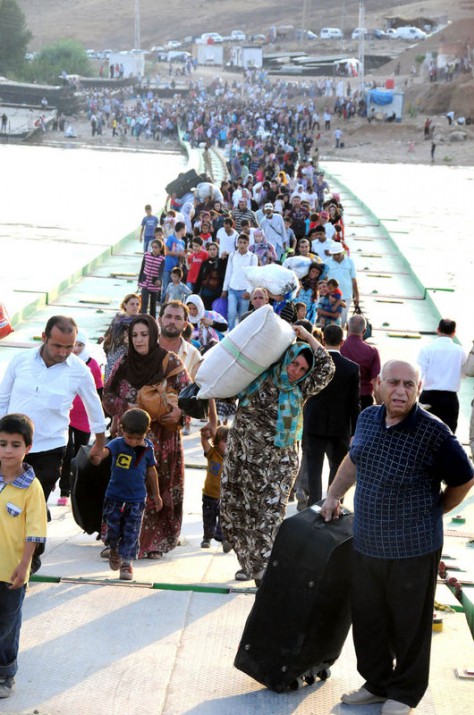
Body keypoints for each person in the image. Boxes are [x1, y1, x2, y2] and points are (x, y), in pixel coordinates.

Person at [321, 360, 474, 715]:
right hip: (368, 541)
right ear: (378, 384)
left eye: (409, 385)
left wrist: (434, 512)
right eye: (394, 383)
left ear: (419, 389)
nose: (401, 391)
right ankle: (376, 683)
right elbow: (354, 459)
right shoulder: (368, 419)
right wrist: (333, 494)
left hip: (414, 546)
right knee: (368, 617)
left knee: (409, 623)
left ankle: (404, 692)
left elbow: (464, 479)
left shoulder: (434, 433)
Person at [219, 323, 335, 584]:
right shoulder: (257, 376)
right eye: (294, 365)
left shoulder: (300, 389)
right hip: (243, 458)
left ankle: (263, 567)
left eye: (303, 369)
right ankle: (250, 562)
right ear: (285, 360)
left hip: (279, 463)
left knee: (269, 513)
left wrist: (307, 336)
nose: (296, 372)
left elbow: (327, 367)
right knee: (235, 511)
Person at [0, 316, 106, 524]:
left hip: (50, 450)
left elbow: (94, 408)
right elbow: (2, 400)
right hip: (12, 447)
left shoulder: (80, 372)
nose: (63, 352)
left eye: (69, 346)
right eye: (57, 345)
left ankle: (34, 555)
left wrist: (100, 444)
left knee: (34, 505)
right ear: (44, 338)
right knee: (9, 505)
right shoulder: (20, 360)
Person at [102, 315, 190, 559]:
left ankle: (154, 543)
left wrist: (179, 414)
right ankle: (116, 542)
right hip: (129, 440)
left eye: (144, 334)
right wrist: (126, 408)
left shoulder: (170, 362)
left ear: (153, 335)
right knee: (124, 488)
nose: (139, 340)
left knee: (157, 488)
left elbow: (192, 399)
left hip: (163, 442)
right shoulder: (123, 362)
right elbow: (107, 396)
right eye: (134, 335)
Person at [0, 413, 47, 699]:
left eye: (15, 445)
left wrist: (25, 564)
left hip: (12, 571)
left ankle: (6, 673)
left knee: (7, 623)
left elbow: (34, 532)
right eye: (2, 443)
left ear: (27, 448)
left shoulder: (31, 488)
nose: (7, 450)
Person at [99, 409, 161, 581]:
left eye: (138, 438)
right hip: (114, 497)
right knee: (113, 529)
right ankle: (113, 549)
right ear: (121, 429)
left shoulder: (148, 448)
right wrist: (97, 456)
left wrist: (156, 495)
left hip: (136, 498)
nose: (133, 442)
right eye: (129, 437)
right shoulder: (117, 444)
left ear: (146, 433)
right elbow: (104, 452)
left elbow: (151, 472)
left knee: (132, 531)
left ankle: (127, 562)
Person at [303, 324, 360, 506]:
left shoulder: (313, 364)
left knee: (313, 469)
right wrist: (355, 431)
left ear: (323, 340)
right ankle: (335, 505)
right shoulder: (352, 368)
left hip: (314, 423)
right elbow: (354, 404)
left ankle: (312, 505)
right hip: (340, 426)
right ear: (342, 342)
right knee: (337, 469)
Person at [58, 329, 103, 506]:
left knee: (81, 453)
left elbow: (98, 393)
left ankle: (78, 489)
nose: (76, 349)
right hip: (67, 416)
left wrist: (99, 418)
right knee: (66, 453)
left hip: (84, 418)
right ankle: (65, 490)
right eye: (74, 345)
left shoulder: (91, 365)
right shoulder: (64, 363)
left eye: (80, 345)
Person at [417, 318, 467, 433]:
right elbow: (464, 374)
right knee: (448, 433)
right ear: (454, 333)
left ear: (438, 330)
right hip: (450, 398)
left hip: (429, 396)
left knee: (424, 432)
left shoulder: (427, 349)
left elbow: (419, 372)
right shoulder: (460, 351)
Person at [341, 314, 381, 410]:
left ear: (347, 327)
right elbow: (376, 382)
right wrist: (380, 404)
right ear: (364, 331)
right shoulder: (372, 351)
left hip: (341, 395)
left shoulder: (339, 348)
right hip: (364, 398)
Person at [200, 425, 229, 550]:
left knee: (224, 518)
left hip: (225, 496)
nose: (228, 445)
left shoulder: (232, 458)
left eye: (230, 442)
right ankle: (207, 537)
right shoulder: (213, 453)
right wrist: (204, 437)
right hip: (210, 494)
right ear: (217, 442)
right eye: (225, 441)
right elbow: (205, 444)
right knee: (208, 517)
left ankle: (223, 539)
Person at [221, 233, 258, 330]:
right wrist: (224, 289)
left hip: (244, 290)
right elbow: (228, 272)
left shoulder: (252, 257)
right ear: (237, 243)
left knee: (243, 316)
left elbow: (253, 276)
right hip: (232, 289)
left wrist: (249, 291)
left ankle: (240, 335)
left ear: (248, 244)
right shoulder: (232, 255)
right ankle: (230, 333)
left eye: (244, 243)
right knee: (231, 313)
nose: (242, 245)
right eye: (240, 242)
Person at [101, 293, 141, 380]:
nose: (135, 306)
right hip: (114, 354)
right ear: (125, 305)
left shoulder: (140, 321)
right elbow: (109, 333)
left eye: (137, 304)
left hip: (131, 357)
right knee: (110, 381)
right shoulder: (117, 318)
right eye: (132, 304)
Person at [325, 245, 359, 326]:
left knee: (343, 319)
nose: (336, 256)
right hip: (332, 296)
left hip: (346, 295)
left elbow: (353, 279)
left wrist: (357, 295)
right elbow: (325, 280)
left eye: (338, 254)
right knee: (331, 319)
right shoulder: (326, 263)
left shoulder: (350, 261)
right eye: (334, 254)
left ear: (341, 252)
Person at [137, 239, 165, 319]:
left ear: (160, 248)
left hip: (154, 284)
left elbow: (161, 271)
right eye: (153, 247)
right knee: (144, 303)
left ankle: (152, 320)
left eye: (156, 247)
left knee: (153, 305)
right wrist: (139, 281)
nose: (154, 249)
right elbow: (142, 268)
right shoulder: (146, 255)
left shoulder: (162, 259)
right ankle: (142, 319)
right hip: (145, 282)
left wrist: (159, 280)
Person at [161, 221, 187, 301]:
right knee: (166, 287)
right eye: (185, 229)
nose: (185, 231)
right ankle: (163, 304)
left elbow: (181, 255)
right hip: (168, 265)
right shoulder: (171, 238)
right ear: (182, 229)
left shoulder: (182, 242)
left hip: (176, 267)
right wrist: (179, 253)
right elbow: (167, 252)